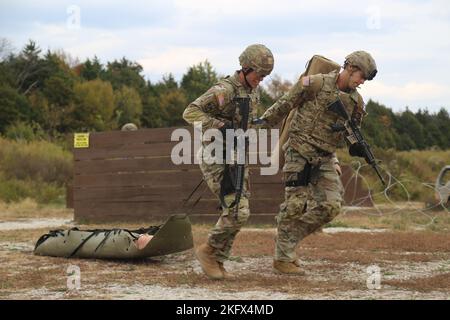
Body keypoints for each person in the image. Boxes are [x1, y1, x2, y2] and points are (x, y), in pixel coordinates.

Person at [257, 51, 377, 274]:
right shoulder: (315, 84)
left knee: (331, 206)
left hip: (325, 157)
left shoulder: (356, 102)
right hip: (298, 151)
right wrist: (259, 126)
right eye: (361, 76)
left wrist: (354, 147)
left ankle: (287, 240)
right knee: (294, 205)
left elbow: (349, 133)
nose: (361, 82)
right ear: (350, 68)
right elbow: (285, 104)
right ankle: (283, 258)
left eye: (365, 80)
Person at [182, 44, 274, 280]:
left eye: (264, 77)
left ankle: (217, 260)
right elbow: (190, 112)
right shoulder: (224, 90)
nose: (261, 80)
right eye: (259, 75)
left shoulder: (253, 91)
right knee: (237, 210)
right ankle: (208, 252)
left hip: (237, 156)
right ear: (246, 67)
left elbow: (249, 121)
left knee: (237, 211)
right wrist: (219, 126)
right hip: (215, 155)